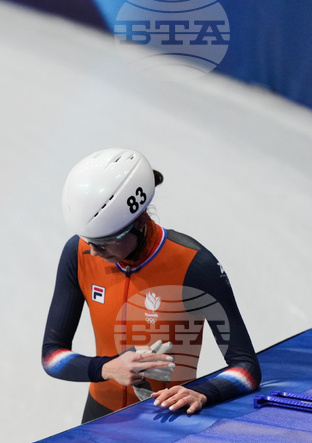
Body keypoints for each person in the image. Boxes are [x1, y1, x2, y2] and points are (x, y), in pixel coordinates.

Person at [42, 148, 261, 423]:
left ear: (138, 222)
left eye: (103, 242)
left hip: (166, 418)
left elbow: (246, 368)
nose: (94, 253)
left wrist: (203, 392)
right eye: (88, 240)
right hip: (100, 414)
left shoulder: (195, 264)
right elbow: (51, 356)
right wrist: (108, 368)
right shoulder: (78, 252)